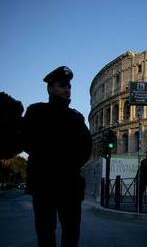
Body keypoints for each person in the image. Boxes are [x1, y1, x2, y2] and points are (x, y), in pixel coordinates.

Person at [21, 66, 92, 247]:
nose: (67, 90)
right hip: (43, 183)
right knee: (45, 230)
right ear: (51, 88)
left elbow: (86, 148)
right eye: (62, 85)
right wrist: (51, 160)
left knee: (71, 230)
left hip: (69, 183)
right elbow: (26, 140)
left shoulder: (76, 117)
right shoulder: (35, 111)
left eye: (69, 86)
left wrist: (68, 165)